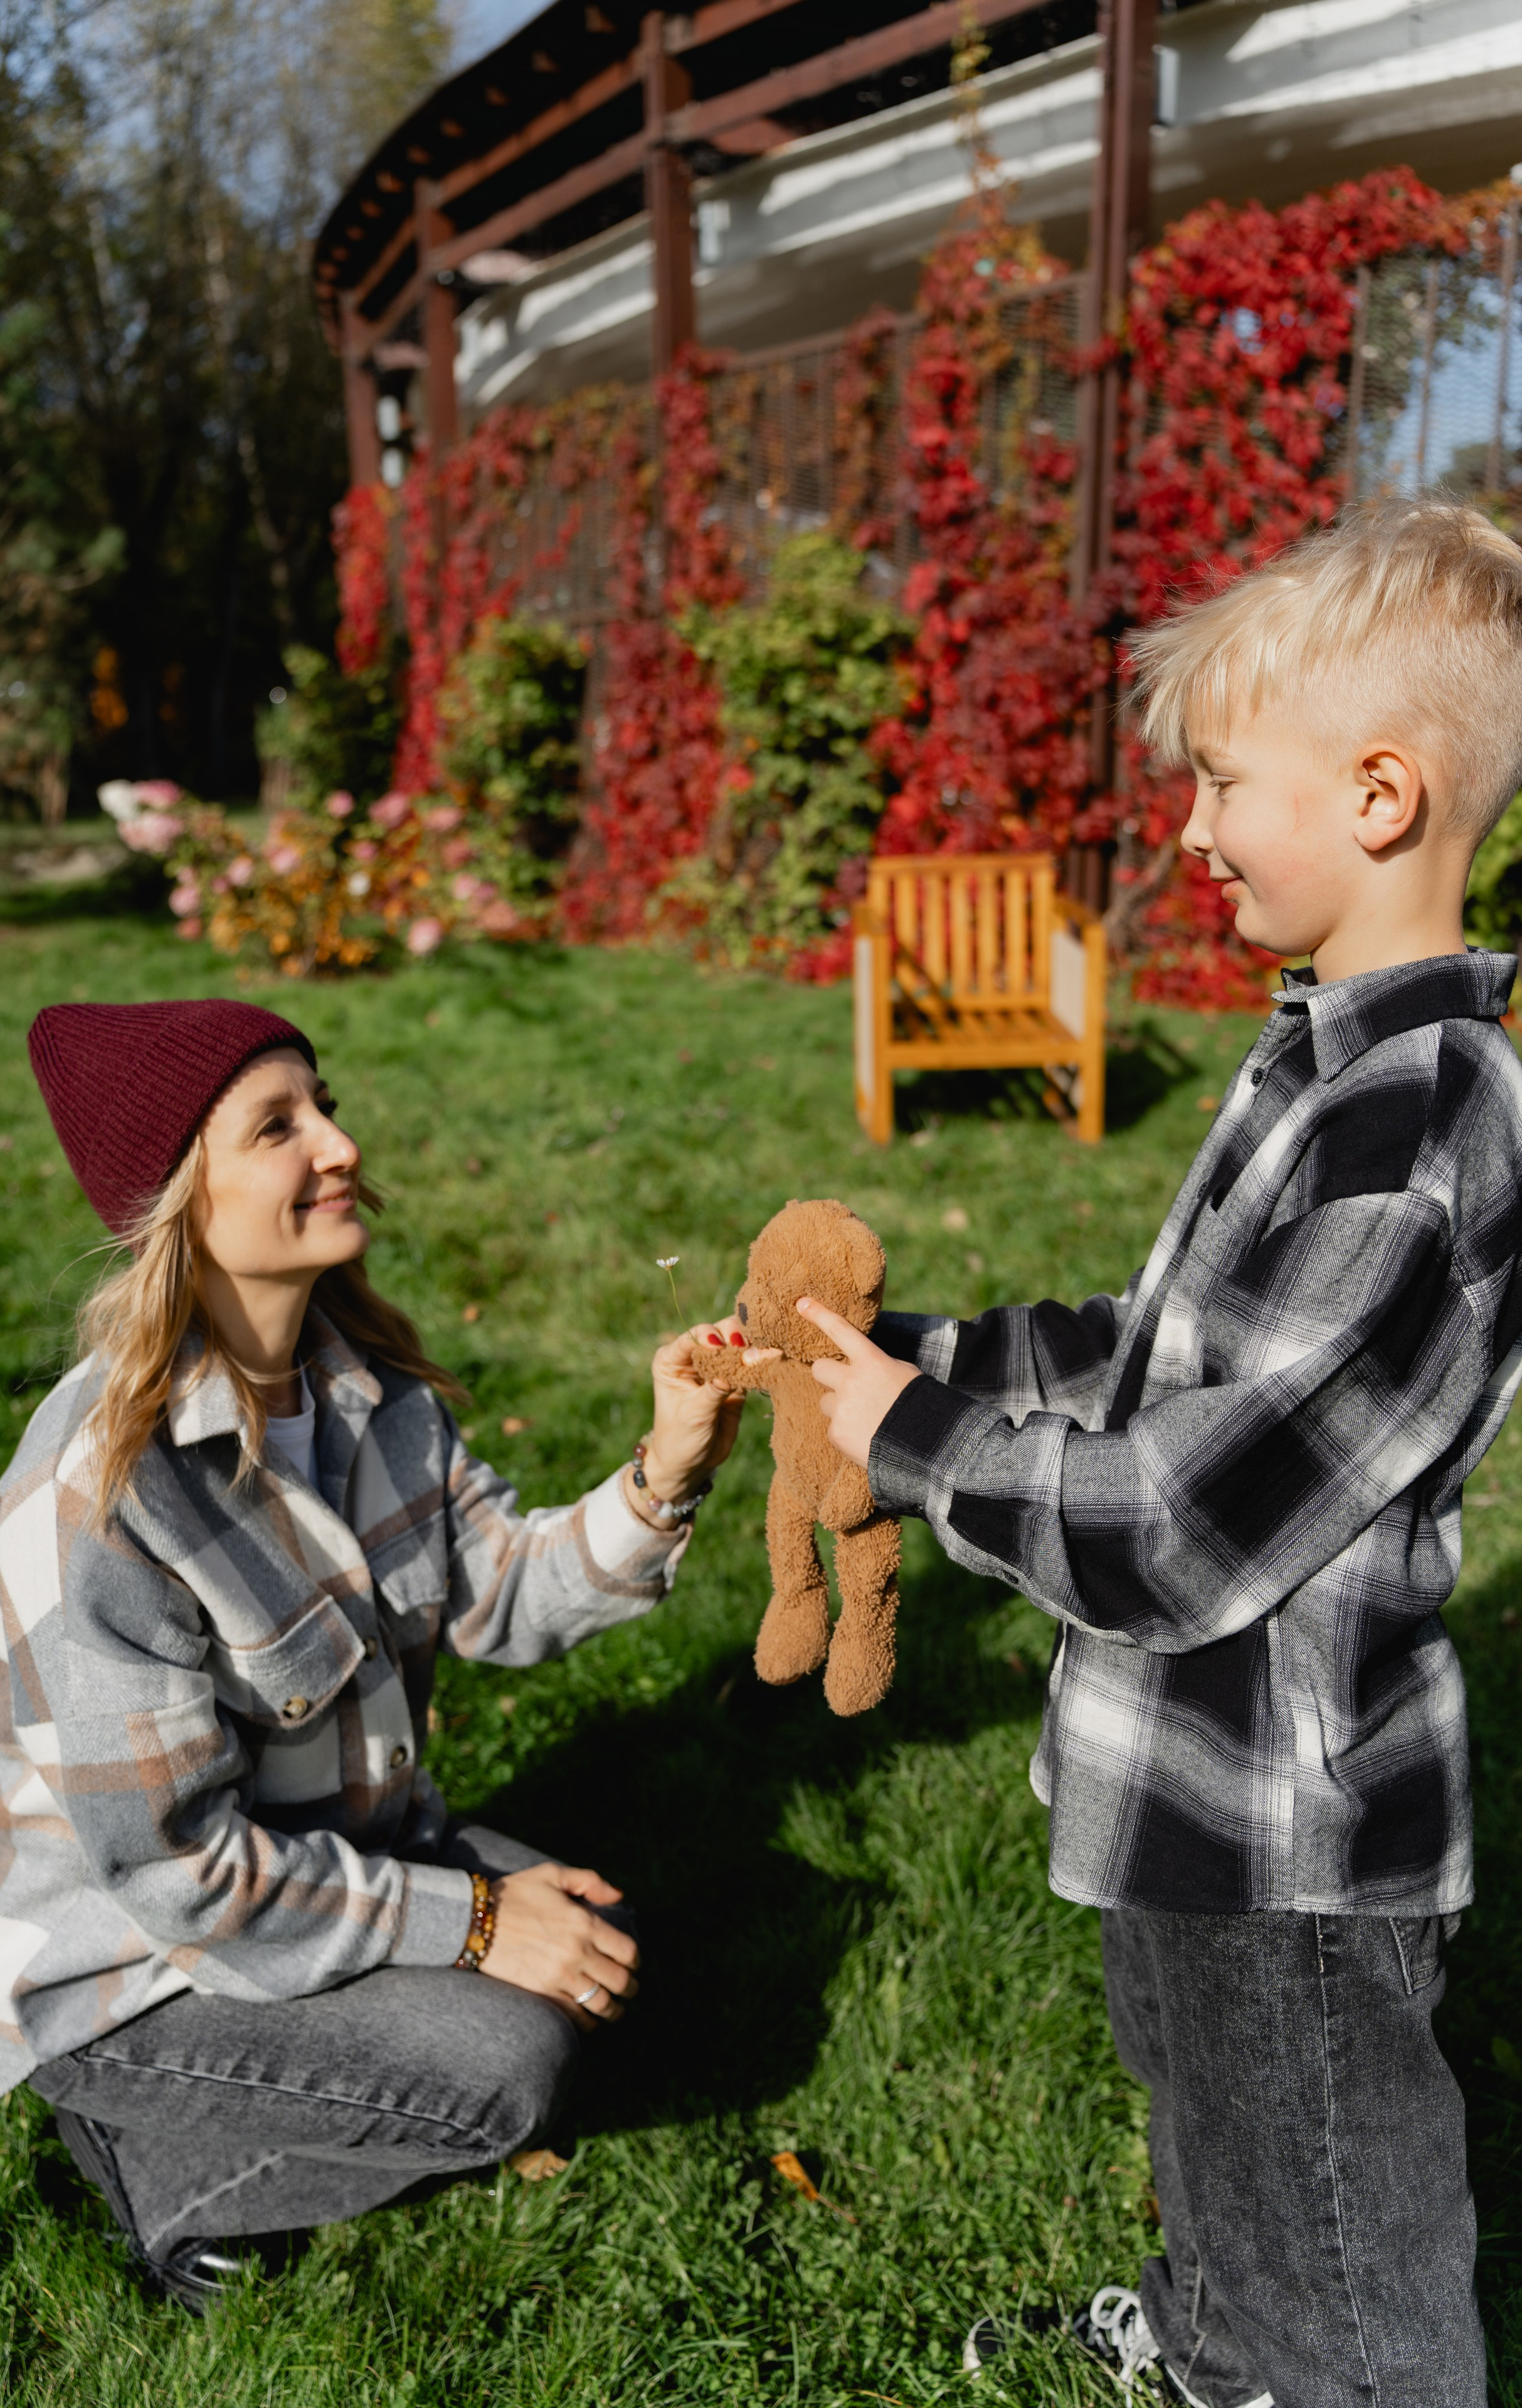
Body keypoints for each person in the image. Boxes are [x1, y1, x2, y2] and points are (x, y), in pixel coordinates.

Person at [787, 501, 1522, 2406]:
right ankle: (1215, 2344)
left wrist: (920, 1443)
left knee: (1340, 2228)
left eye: (1218, 784)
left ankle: (1311, 2372)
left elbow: (1185, 1519)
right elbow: (1159, 1361)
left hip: (1290, 1818)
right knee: (1212, 2118)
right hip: (1187, 1790)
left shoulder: (1416, 1133)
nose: (1187, 831)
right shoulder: (1320, 1065)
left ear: (1380, 796)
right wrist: (919, 1357)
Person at [0, 997, 747, 2309]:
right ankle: (155, 2165)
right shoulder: (98, 1505)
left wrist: (666, 1468)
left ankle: (277, 2084)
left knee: (593, 1946)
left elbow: (505, 1593)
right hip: (131, 1967)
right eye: (280, 1126)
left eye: (322, 1101)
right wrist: (479, 1921)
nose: (338, 1142)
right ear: (178, 1206)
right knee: (505, 2069)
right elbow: (182, 1875)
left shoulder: (367, 1390)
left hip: (333, 1859)